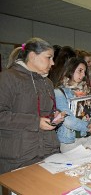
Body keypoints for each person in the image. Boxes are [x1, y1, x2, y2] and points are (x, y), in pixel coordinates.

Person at [0, 37, 65, 174]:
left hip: (48, 152)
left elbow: (48, 111)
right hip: (20, 156)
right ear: (32, 56)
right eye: (49, 57)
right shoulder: (8, 78)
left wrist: (55, 116)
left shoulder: (47, 82)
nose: (52, 63)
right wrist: (36, 122)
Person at [53, 57, 91, 153]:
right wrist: (90, 127)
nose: (83, 75)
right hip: (70, 141)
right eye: (80, 71)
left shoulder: (87, 90)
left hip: (88, 138)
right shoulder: (59, 92)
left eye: (84, 71)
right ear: (70, 70)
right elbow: (67, 120)